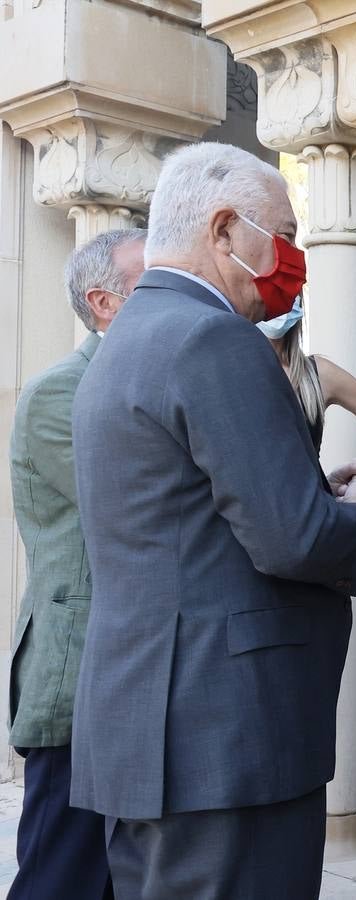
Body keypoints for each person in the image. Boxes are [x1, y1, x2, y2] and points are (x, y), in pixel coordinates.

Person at [68, 142, 356, 899]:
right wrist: (354, 510)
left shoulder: (124, 342)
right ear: (223, 231)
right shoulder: (213, 337)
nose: (292, 256)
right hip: (228, 738)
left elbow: (189, 511)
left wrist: (315, 487)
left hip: (153, 728)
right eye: (281, 234)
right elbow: (295, 539)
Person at [7, 227, 145, 900]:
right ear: (105, 302)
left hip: (129, 677)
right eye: (155, 282)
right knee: (62, 876)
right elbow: (141, 507)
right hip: (77, 676)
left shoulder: (136, 383)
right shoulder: (60, 394)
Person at [258, 298, 356, 461]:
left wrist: (347, 476)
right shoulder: (233, 372)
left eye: (287, 290)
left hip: (310, 487)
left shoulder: (317, 373)